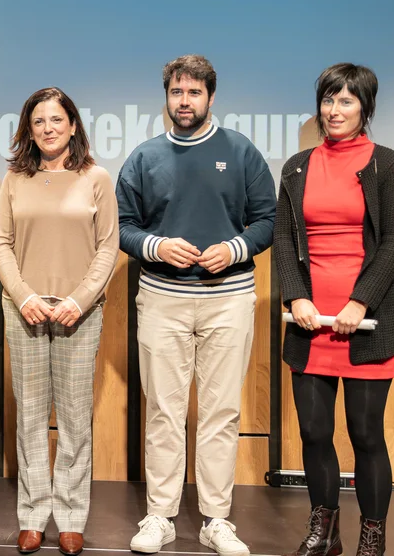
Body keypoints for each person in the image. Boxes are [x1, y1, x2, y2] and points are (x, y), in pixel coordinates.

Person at [118, 55, 276, 556]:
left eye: (193, 93)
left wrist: (235, 248)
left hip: (229, 299)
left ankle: (216, 520)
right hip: (162, 299)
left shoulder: (241, 151)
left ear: (210, 97)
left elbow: (268, 220)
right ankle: (160, 517)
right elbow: (121, 227)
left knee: (220, 412)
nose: (184, 102)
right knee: (164, 412)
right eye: (176, 92)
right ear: (166, 96)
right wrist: (155, 246)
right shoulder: (144, 157)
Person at [275, 64, 394, 556]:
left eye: (346, 101)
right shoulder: (296, 166)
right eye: (328, 100)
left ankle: (372, 537)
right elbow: (284, 240)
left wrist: (360, 300)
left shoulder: (387, 164)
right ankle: (325, 531)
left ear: (364, 108)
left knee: (365, 433)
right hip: (309, 322)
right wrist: (297, 297)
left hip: (367, 323)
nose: (334, 111)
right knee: (314, 432)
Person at [0, 87, 119, 556]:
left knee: (74, 419)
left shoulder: (96, 178)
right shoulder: (14, 179)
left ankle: (69, 518)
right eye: (38, 121)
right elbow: (1, 244)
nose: (48, 128)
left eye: (56, 120)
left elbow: (107, 247)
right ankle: (32, 517)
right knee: (29, 417)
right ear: (29, 130)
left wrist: (80, 300)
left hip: (77, 315)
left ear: (73, 125)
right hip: (24, 310)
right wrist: (22, 296)